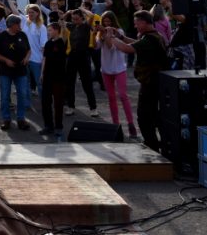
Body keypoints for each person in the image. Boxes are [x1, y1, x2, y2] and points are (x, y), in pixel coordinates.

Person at [105, 10, 165, 151]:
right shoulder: (155, 36)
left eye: (136, 23)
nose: (135, 26)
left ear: (144, 22)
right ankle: (157, 144)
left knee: (144, 118)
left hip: (150, 84)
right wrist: (120, 36)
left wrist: (110, 36)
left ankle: (152, 147)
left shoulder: (150, 39)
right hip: (156, 83)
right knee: (154, 116)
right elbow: (137, 44)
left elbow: (127, 49)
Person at [96, 11, 137, 139]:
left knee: (123, 95)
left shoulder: (119, 32)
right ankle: (115, 125)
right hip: (106, 69)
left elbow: (111, 47)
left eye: (109, 21)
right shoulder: (100, 32)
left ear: (113, 21)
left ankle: (131, 124)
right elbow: (96, 46)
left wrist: (107, 34)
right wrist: (95, 33)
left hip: (119, 68)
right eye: (105, 22)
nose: (107, 24)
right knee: (111, 97)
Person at [0, 14, 31, 131]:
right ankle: (6, 119)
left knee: (22, 94)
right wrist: (6, 60)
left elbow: (29, 50)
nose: (20, 26)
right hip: (5, 71)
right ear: (12, 25)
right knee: (5, 96)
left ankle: (21, 119)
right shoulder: (1, 36)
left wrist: (27, 58)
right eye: (18, 24)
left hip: (21, 70)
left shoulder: (22, 35)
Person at [62, 9, 99, 117]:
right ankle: (71, 106)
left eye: (77, 19)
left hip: (83, 56)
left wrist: (82, 9)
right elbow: (61, 21)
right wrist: (68, 13)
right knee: (69, 83)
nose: (74, 21)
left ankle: (93, 108)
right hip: (72, 56)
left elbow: (91, 15)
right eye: (73, 19)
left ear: (82, 18)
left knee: (87, 84)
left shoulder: (86, 26)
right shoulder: (71, 26)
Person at [39, 21, 68, 139]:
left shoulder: (62, 42)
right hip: (47, 77)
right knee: (45, 102)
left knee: (58, 103)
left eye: (50, 30)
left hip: (59, 78)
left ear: (56, 30)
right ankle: (48, 126)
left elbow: (65, 34)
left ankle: (58, 127)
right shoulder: (48, 43)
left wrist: (63, 23)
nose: (48, 32)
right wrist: (42, 73)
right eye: (48, 30)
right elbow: (45, 59)